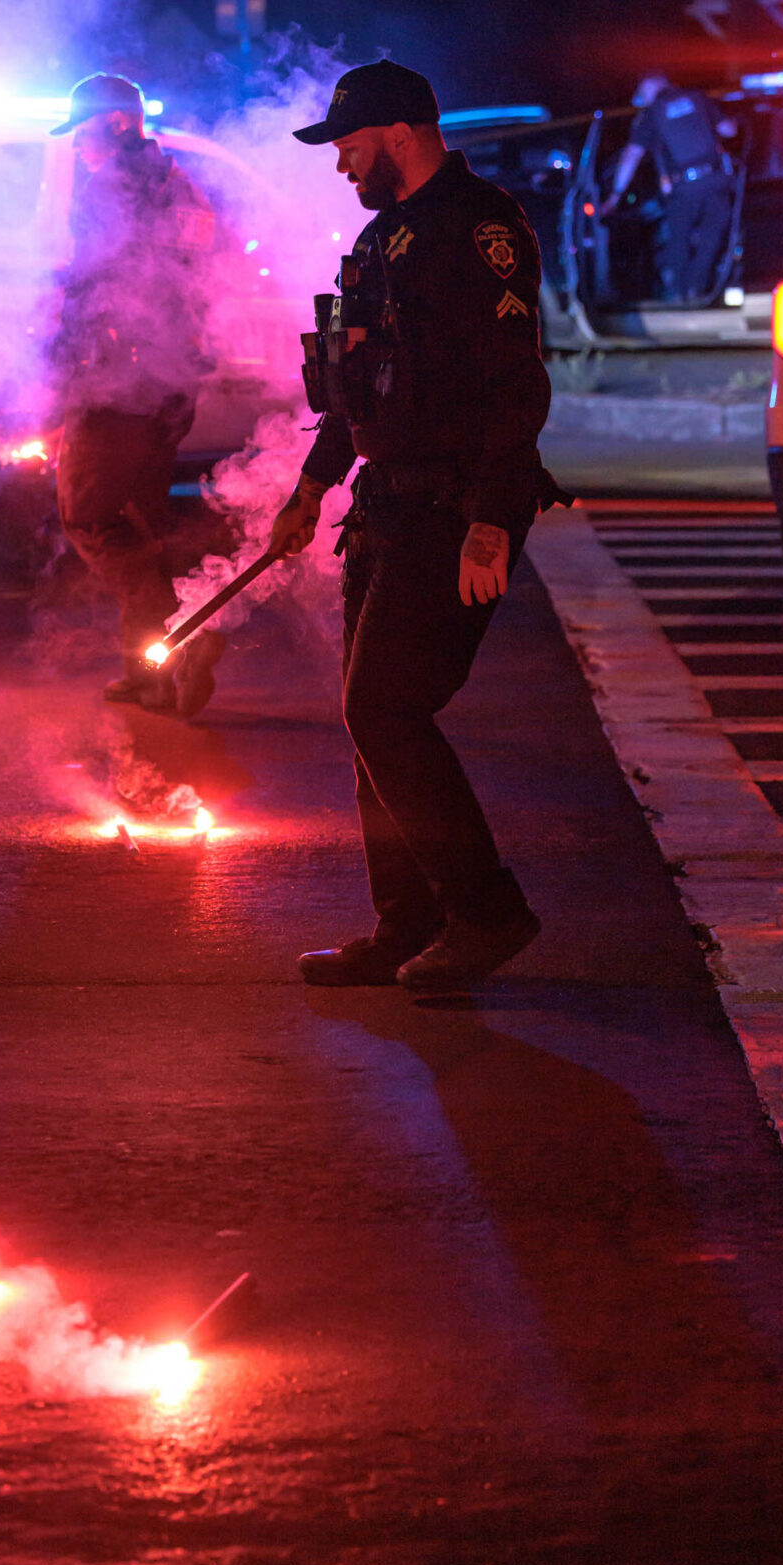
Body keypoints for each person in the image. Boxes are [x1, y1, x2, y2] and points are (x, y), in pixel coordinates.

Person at [269, 59, 564, 992]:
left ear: (399, 134)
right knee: (370, 719)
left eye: (350, 145)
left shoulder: (479, 229)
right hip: (386, 507)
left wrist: (490, 521)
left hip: (452, 508)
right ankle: (406, 922)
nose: (341, 164)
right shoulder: (379, 244)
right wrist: (311, 490)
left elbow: (515, 387)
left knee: (386, 710)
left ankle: (486, 913)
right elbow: (356, 391)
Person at [47, 73, 223, 712]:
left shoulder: (109, 189)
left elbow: (92, 290)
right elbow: (201, 280)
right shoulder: (183, 186)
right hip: (173, 384)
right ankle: (155, 670)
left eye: (83, 132)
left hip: (117, 383)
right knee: (145, 526)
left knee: (88, 517)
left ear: (118, 123)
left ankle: (179, 638)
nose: (76, 147)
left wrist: (60, 369)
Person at [602, 74, 738, 303]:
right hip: (714, 180)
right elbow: (728, 130)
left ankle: (679, 294)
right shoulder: (697, 98)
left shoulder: (651, 114)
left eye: (642, 94)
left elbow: (632, 155)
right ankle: (698, 288)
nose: (641, 99)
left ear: (652, 88)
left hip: (682, 187)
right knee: (711, 237)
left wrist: (615, 196)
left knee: (679, 239)